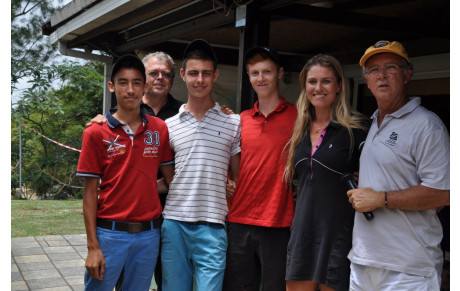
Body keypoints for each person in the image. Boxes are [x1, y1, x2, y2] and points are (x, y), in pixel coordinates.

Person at [347, 40, 450, 290]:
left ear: (407, 75)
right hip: (363, 262)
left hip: (408, 269)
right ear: (367, 81)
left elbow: (445, 193)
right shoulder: (374, 123)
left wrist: (381, 198)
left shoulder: (427, 125)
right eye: (373, 70)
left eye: (390, 67)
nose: (381, 75)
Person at [76, 54, 175, 290]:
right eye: (123, 82)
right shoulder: (96, 132)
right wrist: (93, 247)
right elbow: (90, 193)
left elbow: (172, 179)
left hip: (149, 235)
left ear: (144, 86)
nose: (130, 90)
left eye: (136, 83)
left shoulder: (159, 129)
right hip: (110, 234)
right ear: (111, 86)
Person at [282, 54, 368, 291]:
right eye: (312, 81)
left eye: (326, 81)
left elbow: (377, 175)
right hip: (302, 233)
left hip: (339, 234)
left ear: (339, 85)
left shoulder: (356, 129)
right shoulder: (299, 130)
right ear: (305, 86)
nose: (318, 88)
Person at [160, 39, 241, 291]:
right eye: (193, 73)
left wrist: (232, 184)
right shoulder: (168, 126)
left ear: (215, 75)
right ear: (183, 75)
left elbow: (240, 178)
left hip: (214, 225)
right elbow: (168, 177)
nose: (200, 80)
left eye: (206, 73)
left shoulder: (233, 123)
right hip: (174, 223)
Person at [223, 46, 297, 291]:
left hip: (278, 221)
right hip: (239, 218)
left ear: (279, 73)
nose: (261, 78)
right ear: (249, 76)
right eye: (255, 73)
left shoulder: (299, 117)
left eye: (267, 71)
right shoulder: (239, 119)